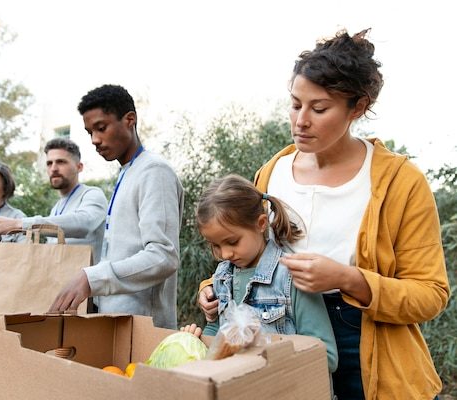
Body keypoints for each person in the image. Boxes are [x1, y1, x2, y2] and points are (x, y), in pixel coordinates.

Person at [198, 29, 450, 400]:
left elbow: (431, 294)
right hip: (280, 340)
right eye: (296, 103)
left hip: (365, 344)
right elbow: (248, 253)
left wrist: (348, 279)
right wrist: (211, 288)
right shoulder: (272, 172)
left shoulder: (400, 182)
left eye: (319, 109)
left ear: (358, 108)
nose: (301, 120)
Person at [49, 84, 184, 329]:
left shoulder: (154, 172)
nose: (95, 140)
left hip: (145, 329)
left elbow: (164, 256)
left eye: (101, 128)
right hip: (117, 322)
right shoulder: (126, 173)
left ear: (130, 120)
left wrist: (92, 278)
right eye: (90, 132)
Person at [188, 174, 338, 373]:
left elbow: (326, 356)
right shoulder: (222, 276)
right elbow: (217, 333)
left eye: (232, 242)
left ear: (260, 224)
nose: (224, 254)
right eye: (215, 245)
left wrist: (258, 353)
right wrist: (195, 342)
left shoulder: (292, 278)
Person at [0, 138, 108, 263]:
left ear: (79, 167)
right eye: (49, 163)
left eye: (61, 162)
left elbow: (84, 223)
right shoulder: (57, 207)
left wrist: (19, 224)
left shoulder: (92, 194)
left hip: (86, 284)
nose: (54, 168)